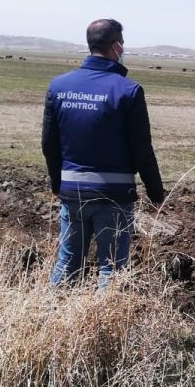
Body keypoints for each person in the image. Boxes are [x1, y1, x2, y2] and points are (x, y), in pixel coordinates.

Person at [41, 18, 165, 286]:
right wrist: (156, 193)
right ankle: (105, 326)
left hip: (72, 192)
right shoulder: (128, 91)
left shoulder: (59, 86)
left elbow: (48, 143)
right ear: (116, 46)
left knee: (67, 263)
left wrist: (57, 184)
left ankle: (49, 318)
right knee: (111, 268)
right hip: (114, 196)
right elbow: (142, 148)